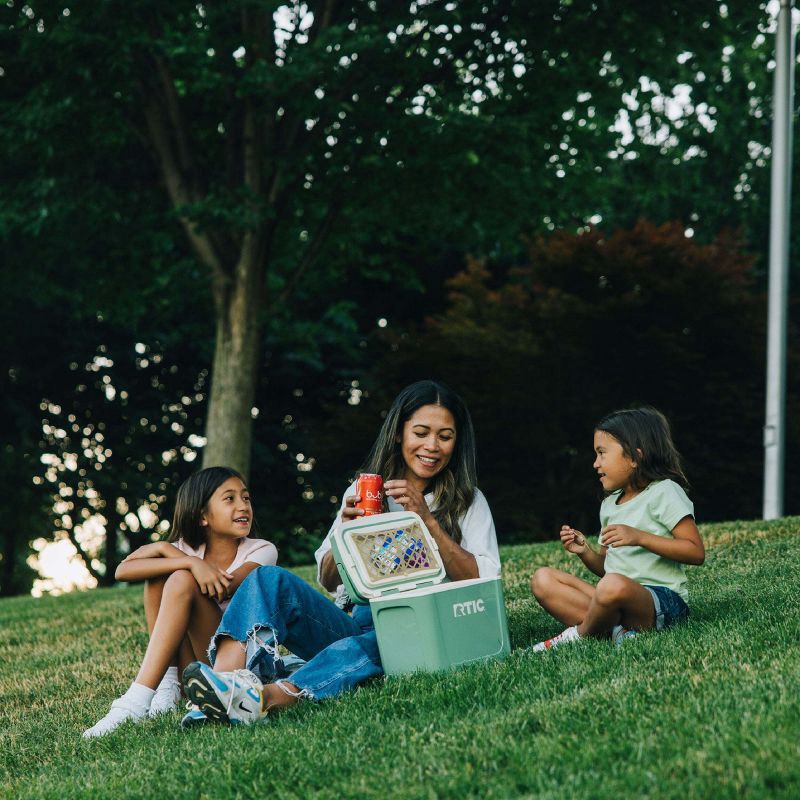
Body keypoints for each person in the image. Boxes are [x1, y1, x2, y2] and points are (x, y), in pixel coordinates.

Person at [181, 380, 501, 725]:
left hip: (424, 627)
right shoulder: (364, 490)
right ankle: (222, 687)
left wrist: (427, 520)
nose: (432, 446)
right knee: (267, 579)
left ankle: (269, 698)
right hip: (357, 619)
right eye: (421, 432)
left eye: (445, 436)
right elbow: (329, 579)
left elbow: (484, 579)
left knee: (386, 640)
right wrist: (344, 536)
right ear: (398, 434)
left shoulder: (468, 501)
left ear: (457, 442)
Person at [82, 467, 277, 738]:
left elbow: (224, 588)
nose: (243, 506)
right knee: (161, 576)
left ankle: (134, 703)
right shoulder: (187, 551)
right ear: (202, 516)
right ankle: (167, 683)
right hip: (192, 663)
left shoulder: (261, 550)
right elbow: (122, 571)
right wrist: (184, 558)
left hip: (231, 662)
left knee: (180, 579)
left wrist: (181, 564)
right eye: (230, 499)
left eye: (246, 498)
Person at [529, 407, 704, 650]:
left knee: (611, 586)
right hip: (615, 597)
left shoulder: (665, 491)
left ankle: (578, 636)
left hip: (662, 604)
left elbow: (695, 552)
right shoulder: (610, 505)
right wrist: (585, 552)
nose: (595, 464)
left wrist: (640, 537)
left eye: (602, 453)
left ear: (634, 457)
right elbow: (608, 569)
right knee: (543, 579)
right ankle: (617, 631)